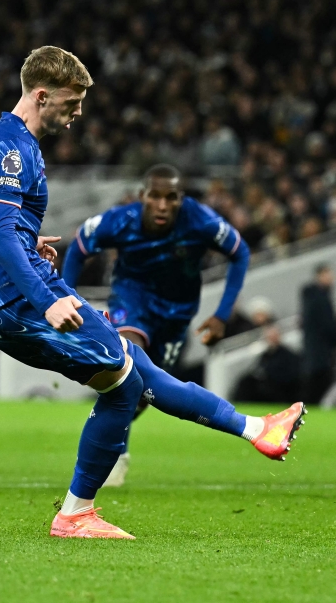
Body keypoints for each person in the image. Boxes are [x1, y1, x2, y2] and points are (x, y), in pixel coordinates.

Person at [0, 46, 304, 539]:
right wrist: (45, 297)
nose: (79, 111)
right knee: (125, 386)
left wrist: (25, 235)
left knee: (134, 365)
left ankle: (259, 431)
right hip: (20, 300)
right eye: (72, 101)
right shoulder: (13, 149)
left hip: (7, 296)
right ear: (42, 96)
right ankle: (74, 514)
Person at [61, 163, 285, 487]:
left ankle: (118, 442)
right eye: (155, 196)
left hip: (176, 316)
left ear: (182, 199)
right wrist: (66, 297)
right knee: (125, 366)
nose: (163, 205)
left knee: (143, 393)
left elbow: (240, 252)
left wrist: (223, 314)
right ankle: (113, 455)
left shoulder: (200, 221)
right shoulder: (119, 221)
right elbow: (79, 246)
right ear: (142, 196)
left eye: (172, 198)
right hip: (130, 302)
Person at [300, 264, 336, 402]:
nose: (331, 278)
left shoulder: (310, 297)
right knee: (320, 384)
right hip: (321, 351)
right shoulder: (320, 298)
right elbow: (327, 325)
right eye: (328, 275)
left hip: (314, 350)